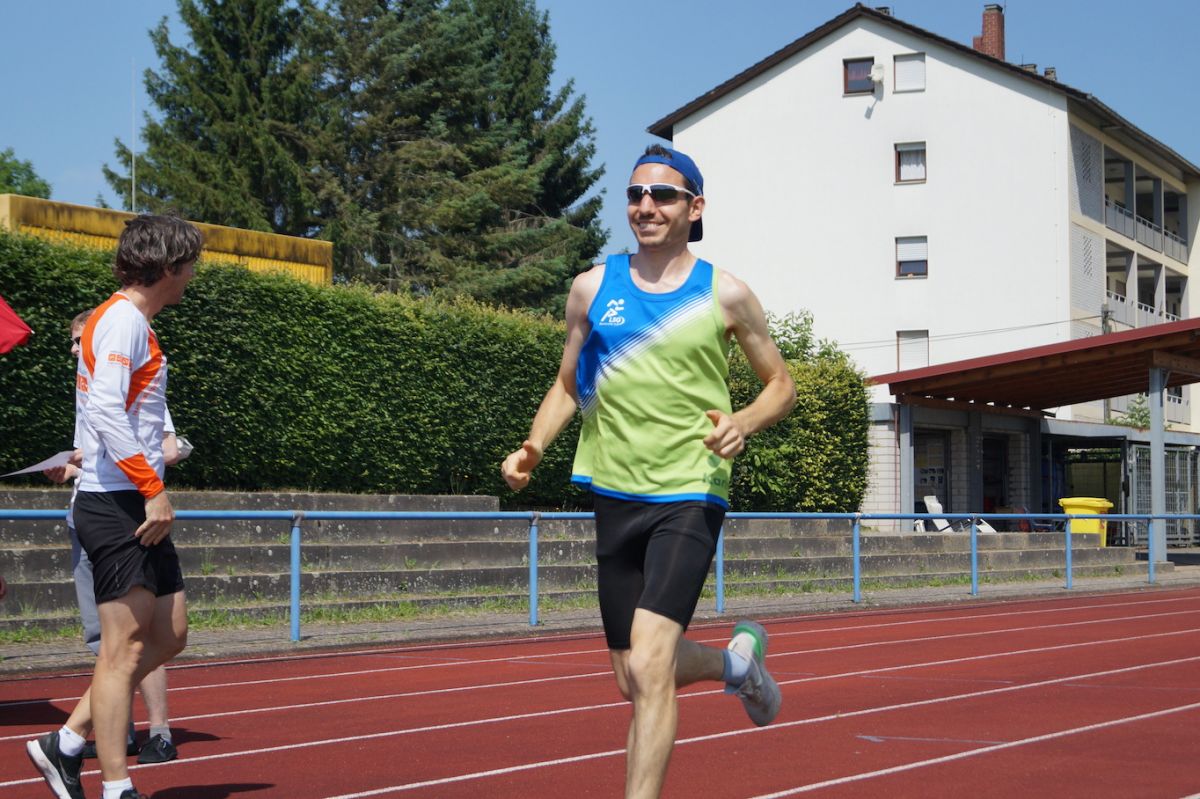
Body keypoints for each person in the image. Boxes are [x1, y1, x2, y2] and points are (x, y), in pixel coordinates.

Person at [501, 145, 797, 798]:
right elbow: (568, 384)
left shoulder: (725, 293)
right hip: (615, 492)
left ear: (695, 207)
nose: (646, 206)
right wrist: (534, 446)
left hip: (690, 491)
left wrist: (742, 422)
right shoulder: (591, 288)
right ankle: (737, 665)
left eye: (662, 195)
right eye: (635, 194)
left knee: (654, 660)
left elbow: (781, 386)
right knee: (632, 675)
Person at [26, 215, 202, 799]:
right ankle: (116, 787)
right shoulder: (123, 319)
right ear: (169, 266)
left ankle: (64, 742)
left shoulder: (128, 321)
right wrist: (151, 488)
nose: (193, 276)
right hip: (116, 501)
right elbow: (104, 409)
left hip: (128, 497)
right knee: (121, 651)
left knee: (170, 634)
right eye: (190, 265)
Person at [40, 308, 182, 767]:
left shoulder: (131, 369)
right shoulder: (91, 386)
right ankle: (106, 755)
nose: (75, 348)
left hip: (128, 507)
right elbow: (97, 444)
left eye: (80, 339)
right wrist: (70, 467)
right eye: (74, 341)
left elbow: (168, 446)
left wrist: (151, 488)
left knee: (151, 635)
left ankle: (152, 730)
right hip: (96, 510)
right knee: (111, 639)